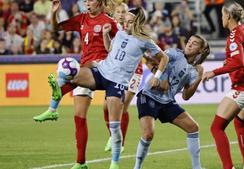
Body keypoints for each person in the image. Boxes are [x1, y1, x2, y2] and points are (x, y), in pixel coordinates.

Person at [43, 7, 168, 169]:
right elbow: (110, 50)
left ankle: (115, 163)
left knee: (114, 127)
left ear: (138, 22)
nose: (126, 24)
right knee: (68, 73)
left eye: (130, 21)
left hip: (116, 83)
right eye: (126, 21)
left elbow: (164, 58)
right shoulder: (121, 33)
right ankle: (53, 109)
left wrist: (156, 77)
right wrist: (105, 35)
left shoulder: (145, 41)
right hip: (101, 73)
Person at [33, 0, 118, 169]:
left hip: (103, 69)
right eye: (85, 0)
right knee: (79, 116)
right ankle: (80, 163)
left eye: (91, 0)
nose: (87, 3)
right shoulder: (81, 19)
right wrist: (54, 12)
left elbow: (122, 42)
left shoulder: (109, 22)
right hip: (85, 68)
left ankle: (54, 105)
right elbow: (56, 28)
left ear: (100, 2)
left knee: (68, 77)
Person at [202, 2, 244, 169]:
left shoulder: (233, 35)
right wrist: (238, 61)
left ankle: (228, 167)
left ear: (228, 16)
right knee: (239, 123)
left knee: (216, 127)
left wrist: (213, 72)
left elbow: (238, 61)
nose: (222, 18)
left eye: (222, 15)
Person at [133, 35, 210, 169]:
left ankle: (197, 167)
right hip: (149, 95)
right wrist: (161, 77)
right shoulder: (174, 53)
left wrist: (199, 78)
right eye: (189, 41)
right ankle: (137, 167)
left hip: (167, 101)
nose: (189, 44)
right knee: (148, 134)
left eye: (194, 43)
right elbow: (150, 61)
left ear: (200, 50)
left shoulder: (194, 70)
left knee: (193, 128)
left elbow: (186, 96)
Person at [103, 2, 143, 153]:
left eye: (124, 12)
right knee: (106, 107)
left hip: (134, 72)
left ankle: (120, 142)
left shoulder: (135, 30)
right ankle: (113, 136)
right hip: (115, 72)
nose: (121, 14)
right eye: (118, 12)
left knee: (122, 107)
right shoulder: (113, 27)